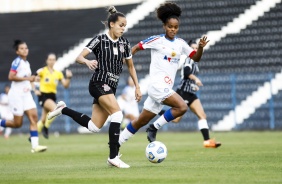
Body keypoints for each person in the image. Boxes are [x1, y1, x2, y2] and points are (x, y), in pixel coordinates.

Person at [47, 6, 142, 168]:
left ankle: (63, 109)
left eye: (125, 25)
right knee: (118, 114)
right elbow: (79, 57)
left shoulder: (125, 43)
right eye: (121, 25)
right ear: (111, 24)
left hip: (111, 86)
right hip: (98, 83)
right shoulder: (99, 39)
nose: (123, 28)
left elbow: (131, 67)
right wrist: (87, 61)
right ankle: (113, 157)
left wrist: (137, 87)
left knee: (94, 126)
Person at [118, 2, 209, 148]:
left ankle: (116, 144)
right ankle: (154, 128)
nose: (173, 29)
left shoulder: (180, 43)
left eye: (175, 27)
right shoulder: (157, 40)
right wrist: (124, 61)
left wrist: (201, 49)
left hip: (165, 88)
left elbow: (196, 57)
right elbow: (135, 48)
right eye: (170, 27)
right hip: (157, 86)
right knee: (182, 107)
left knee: (140, 121)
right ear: (164, 27)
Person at [162, 40, 221, 148]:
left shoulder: (195, 62)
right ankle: (159, 112)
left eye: (196, 48)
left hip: (191, 93)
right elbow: (187, 72)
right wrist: (196, 79)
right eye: (193, 48)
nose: (195, 50)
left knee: (202, 115)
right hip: (183, 92)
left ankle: (207, 141)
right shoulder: (189, 59)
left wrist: (194, 85)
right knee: (175, 120)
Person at [0, 40, 47, 153]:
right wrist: (28, 79)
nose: (24, 50)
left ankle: (35, 146)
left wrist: (34, 80)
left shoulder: (26, 63)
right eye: (21, 48)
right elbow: (11, 76)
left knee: (34, 118)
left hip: (26, 94)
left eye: (26, 48)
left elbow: (27, 78)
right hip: (16, 95)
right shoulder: (17, 62)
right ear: (17, 51)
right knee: (17, 124)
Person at [35, 53, 72, 139]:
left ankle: (33, 135)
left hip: (52, 96)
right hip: (43, 95)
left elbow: (65, 85)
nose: (51, 61)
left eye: (53, 59)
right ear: (47, 60)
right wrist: (35, 90)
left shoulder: (58, 73)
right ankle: (46, 128)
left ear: (55, 61)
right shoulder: (42, 71)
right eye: (50, 59)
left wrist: (69, 78)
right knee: (56, 110)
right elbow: (32, 78)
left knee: (43, 119)